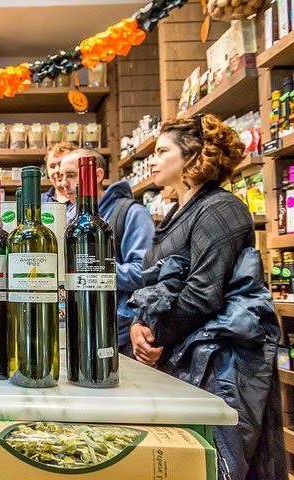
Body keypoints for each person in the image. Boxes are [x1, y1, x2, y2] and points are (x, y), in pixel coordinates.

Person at [129, 114, 284, 479]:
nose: (154, 159)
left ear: (193, 155)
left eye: (163, 150)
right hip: (180, 359)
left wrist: (154, 336)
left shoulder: (220, 209)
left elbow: (203, 295)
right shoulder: (177, 212)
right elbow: (155, 287)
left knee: (218, 463)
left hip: (218, 368)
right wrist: (140, 325)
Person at [59, 148, 154, 353]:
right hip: (76, 326)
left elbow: (145, 273)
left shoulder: (130, 213)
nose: (63, 183)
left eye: (71, 175)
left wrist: (90, 269)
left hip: (117, 335)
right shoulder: (67, 216)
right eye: (61, 176)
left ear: (97, 175)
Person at [41, 141, 75, 206]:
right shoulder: (39, 201)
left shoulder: (87, 202)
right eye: (52, 166)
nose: (57, 170)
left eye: (62, 164)